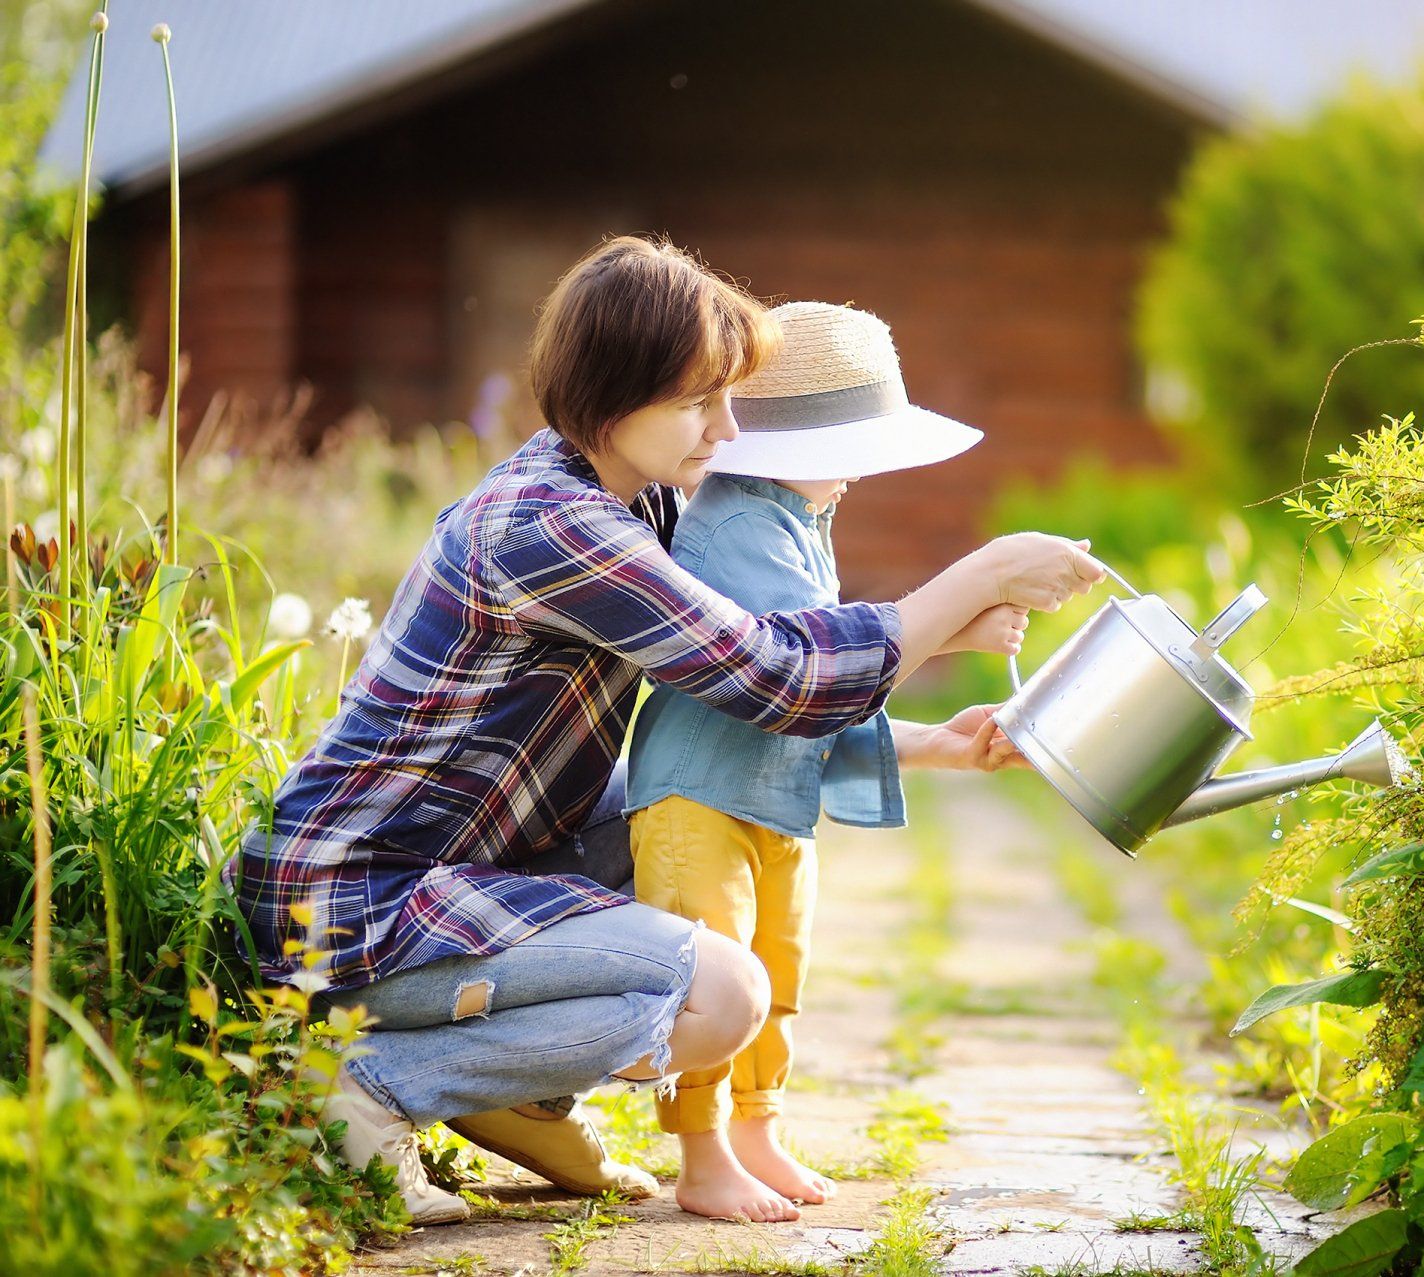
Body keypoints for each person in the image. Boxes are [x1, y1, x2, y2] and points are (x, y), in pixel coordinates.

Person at [225, 237, 1103, 1226]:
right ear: (610, 393)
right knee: (724, 992)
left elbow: (721, 727)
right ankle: (368, 1083)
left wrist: (933, 738)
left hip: (451, 867)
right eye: (697, 400)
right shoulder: (552, 526)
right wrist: (978, 577)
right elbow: (774, 673)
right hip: (348, 902)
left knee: (677, 813)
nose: (727, 430)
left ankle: (520, 1090)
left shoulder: (628, 499)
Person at [624, 302, 1030, 1221]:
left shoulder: (799, 520)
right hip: (697, 793)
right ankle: (703, 1150)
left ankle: (758, 1122)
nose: (856, 477)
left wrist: (945, 746)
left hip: (772, 796)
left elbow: (829, 702)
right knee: (711, 960)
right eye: (851, 450)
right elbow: (806, 669)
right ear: (787, 447)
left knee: (779, 968)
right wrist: (957, 628)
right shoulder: (733, 526)